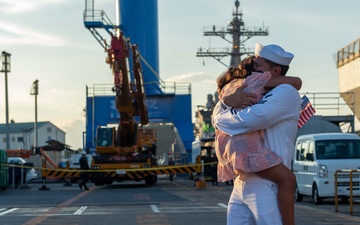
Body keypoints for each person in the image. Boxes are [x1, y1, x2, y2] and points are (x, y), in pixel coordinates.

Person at [212, 43, 302, 225]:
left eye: (258, 66)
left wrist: (221, 115)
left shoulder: (285, 92)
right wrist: (225, 104)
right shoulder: (252, 88)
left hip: (266, 182)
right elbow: (220, 113)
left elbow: (251, 120)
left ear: (276, 70)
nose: (253, 71)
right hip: (242, 179)